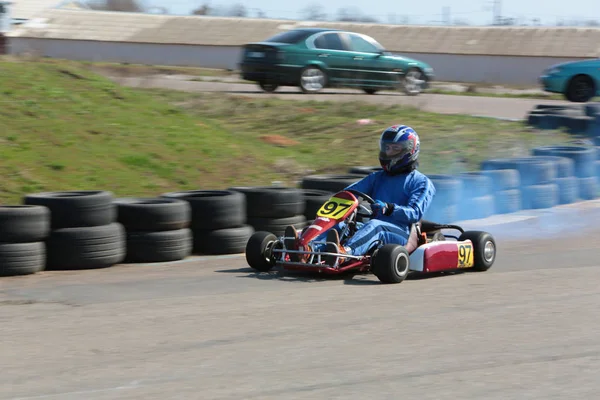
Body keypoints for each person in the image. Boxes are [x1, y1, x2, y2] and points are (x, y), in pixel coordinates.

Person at [285, 124, 436, 266]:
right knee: (341, 224)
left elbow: (415, 213)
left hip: (402, 234)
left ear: (409, 150)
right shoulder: (377, 177)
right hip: (372, 226)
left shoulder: (421, 182)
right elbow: (349, 193)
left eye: (395, 149)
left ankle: (344, 253)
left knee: (375, 226)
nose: (389, 153)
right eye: (387, 148)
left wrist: (389, 209)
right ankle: (308, 249)